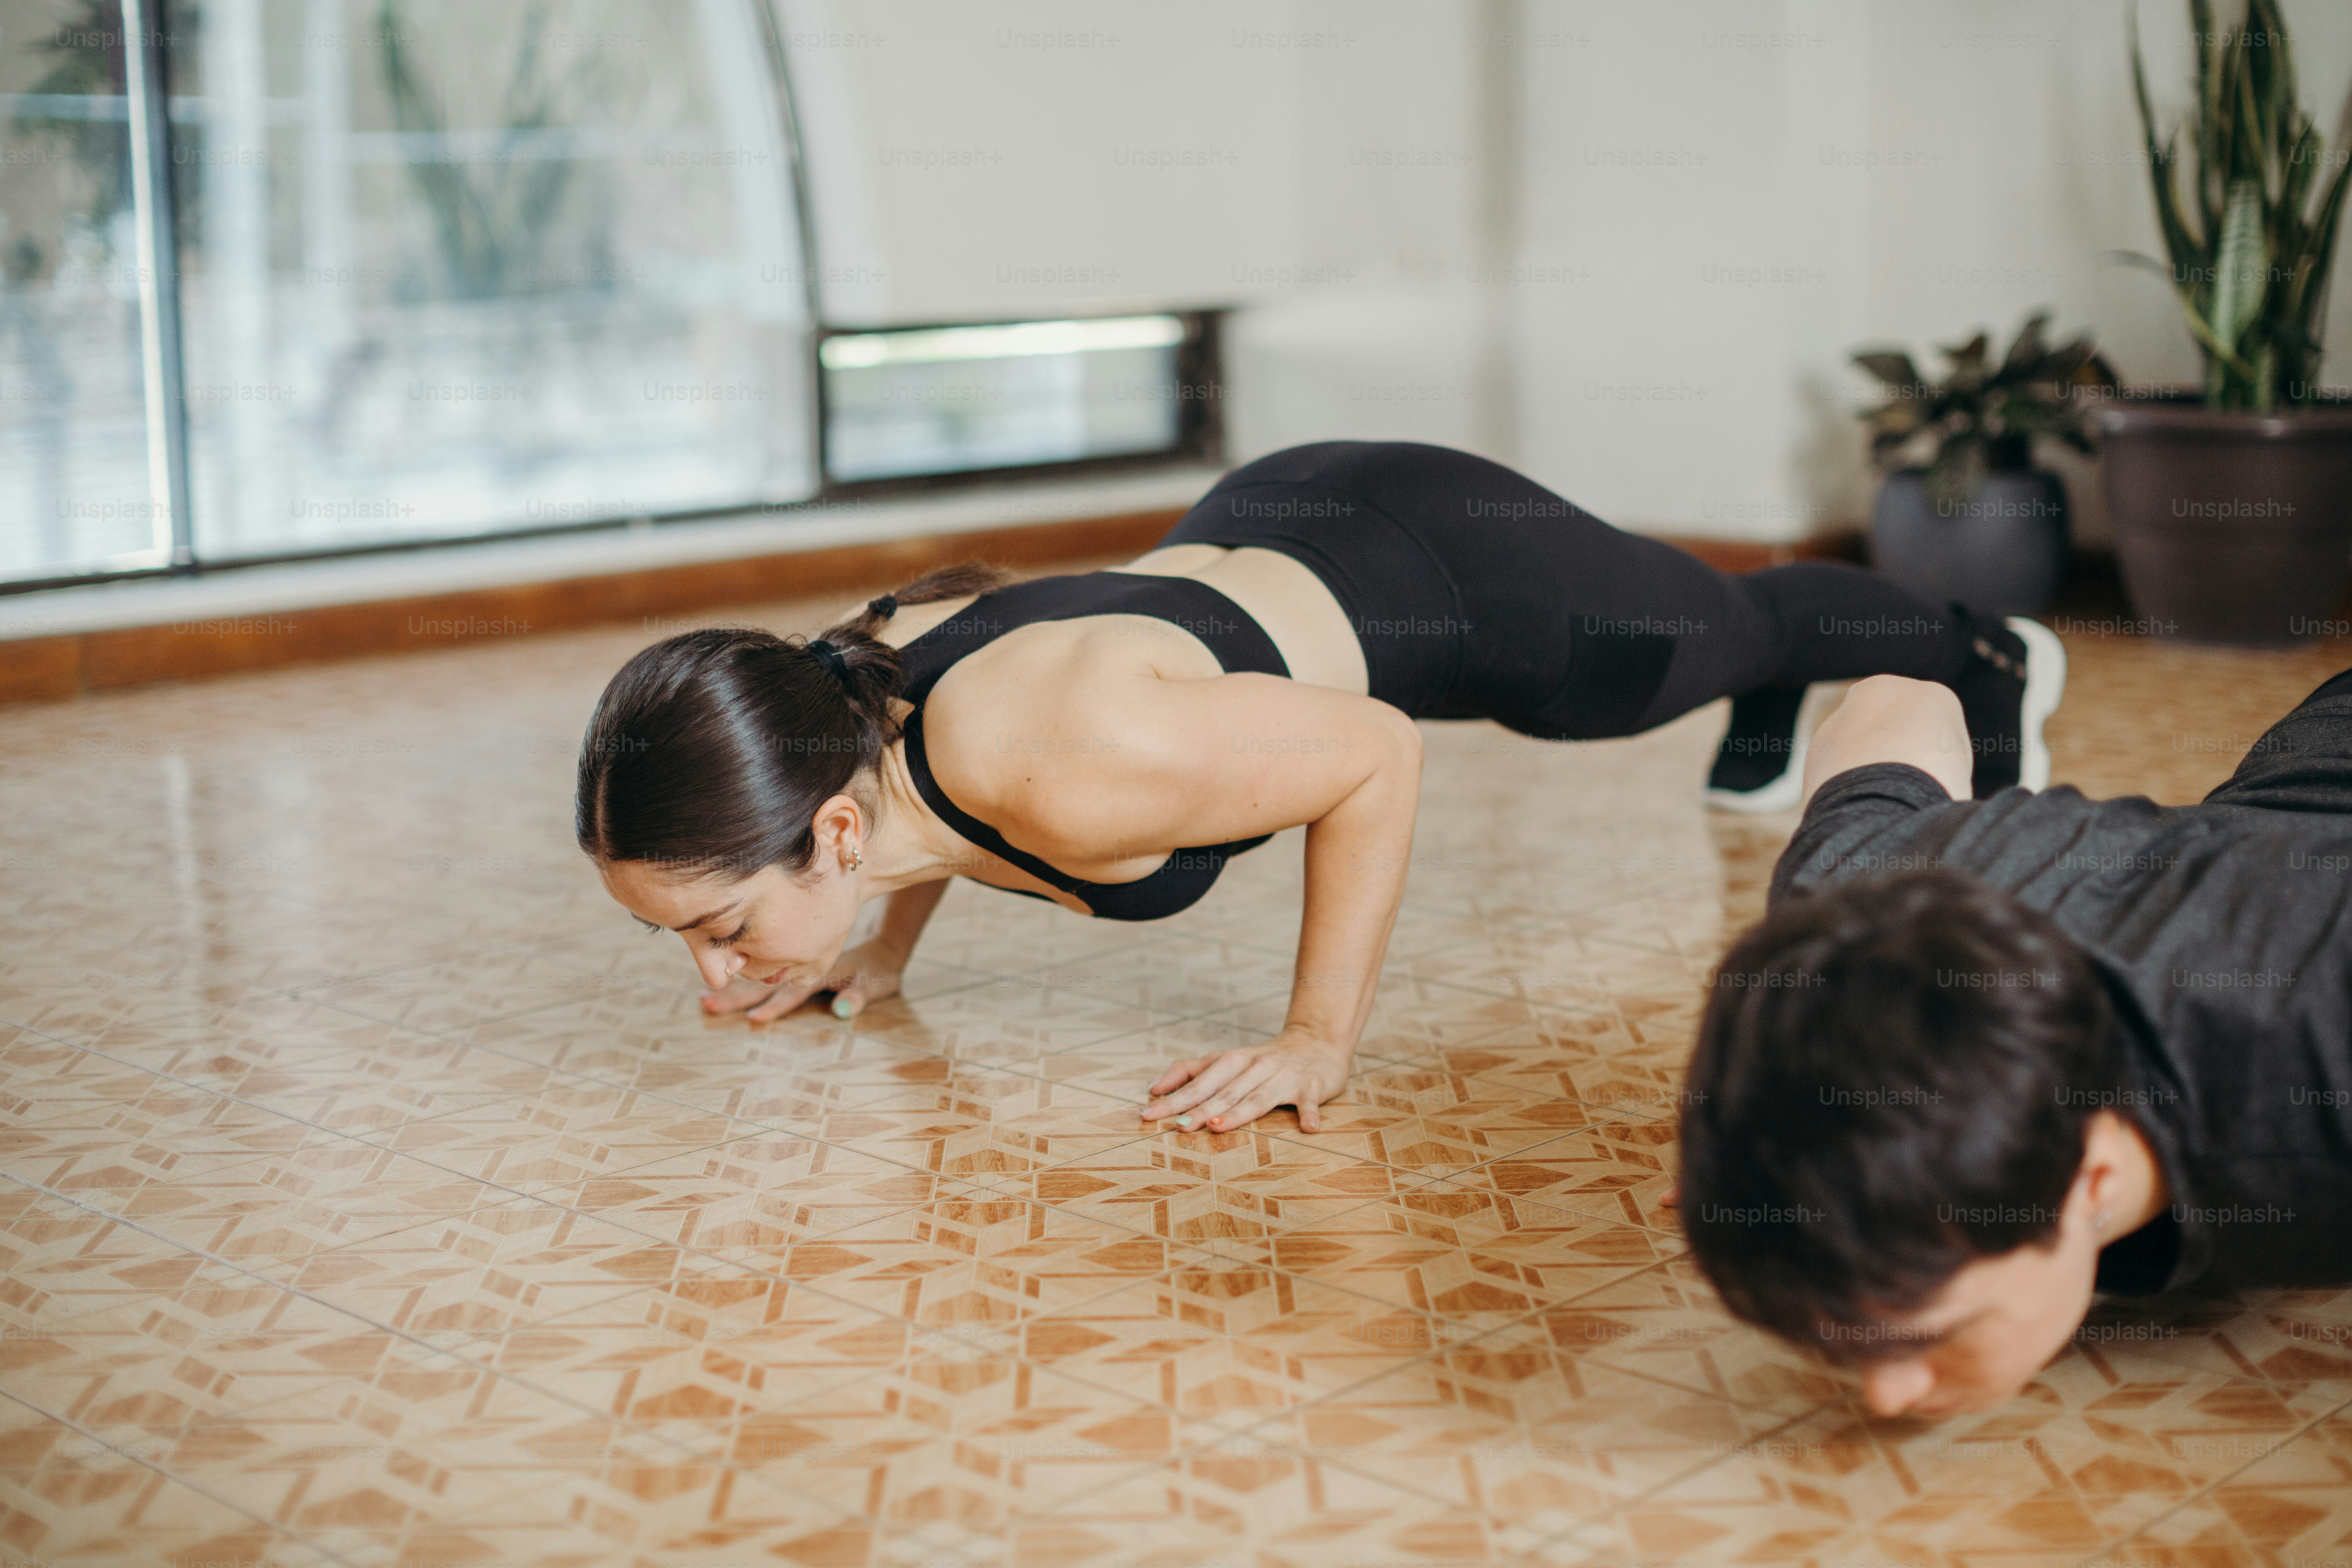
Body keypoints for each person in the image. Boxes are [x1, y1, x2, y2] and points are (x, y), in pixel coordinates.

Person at [577, 440, 2060, 1136]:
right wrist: (871, 958)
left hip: (1444, 571)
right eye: (689, 946)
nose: (715, 976)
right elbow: (924, 824)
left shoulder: (1076, 771)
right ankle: (1774, 700)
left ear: (830, 833)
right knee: (1714, 652)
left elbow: (1378, 754)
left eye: (719, 925)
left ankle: (1982, 655)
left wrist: (1314, 1040)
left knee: (1711, 634)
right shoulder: (850, 688)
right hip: (1278, 518)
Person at [1678, 666, 2352, 1418]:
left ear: (2093, 1181)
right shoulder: (1861, 902)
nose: (1886, 1397)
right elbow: (1898, 696)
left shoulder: (2316, 1084)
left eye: (1932, 1337)